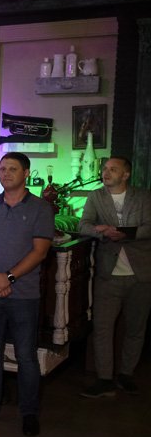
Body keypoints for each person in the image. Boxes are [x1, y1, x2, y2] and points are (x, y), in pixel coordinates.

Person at [0, 152, 54, 437]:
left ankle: (29, 412)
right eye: (2, 169)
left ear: (26, 173)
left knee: (26, 354)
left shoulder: (41, 208)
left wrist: (9, 277)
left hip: (23, 295)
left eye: (12, 169)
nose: (6, 173)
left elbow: (40, 252)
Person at [79, 156, 151, 398]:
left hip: (141, 273)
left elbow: (150, 226)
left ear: (126, 174)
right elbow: (83, 225)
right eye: (105, 169)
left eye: (113, 169)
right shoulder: (95, 196)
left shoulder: (143, 196)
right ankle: (104, 379)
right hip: (107, 274)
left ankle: (126, 374)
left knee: (136, 328)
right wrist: (100, 231)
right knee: (102, 327)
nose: (106, 173)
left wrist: (126, 234)